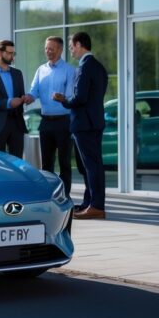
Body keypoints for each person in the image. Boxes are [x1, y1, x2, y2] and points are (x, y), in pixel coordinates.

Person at [53, 32, 109, 220]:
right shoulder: (99, 67)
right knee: (92, 166)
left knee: (91, 167)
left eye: (71, 47)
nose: (71, 51)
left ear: (79, 44)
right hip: (95, 122)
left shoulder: (84, 67)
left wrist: (64, 100)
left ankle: (96, 206)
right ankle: (89, 202)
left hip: (84, 124)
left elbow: (80, 98)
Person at [25, 36, 76, 197]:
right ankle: (48, 196)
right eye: (46, 48)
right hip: (46, 122)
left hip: (64, 122)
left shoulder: (70, 70)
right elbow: (34, 91)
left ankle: (64, 196)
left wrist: (61, 97)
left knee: (64, 163)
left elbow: (70, 96)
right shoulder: (41, 70)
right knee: (46, 164)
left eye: (51, 49)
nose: (48, 51)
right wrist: (28, 98)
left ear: (60, 50)